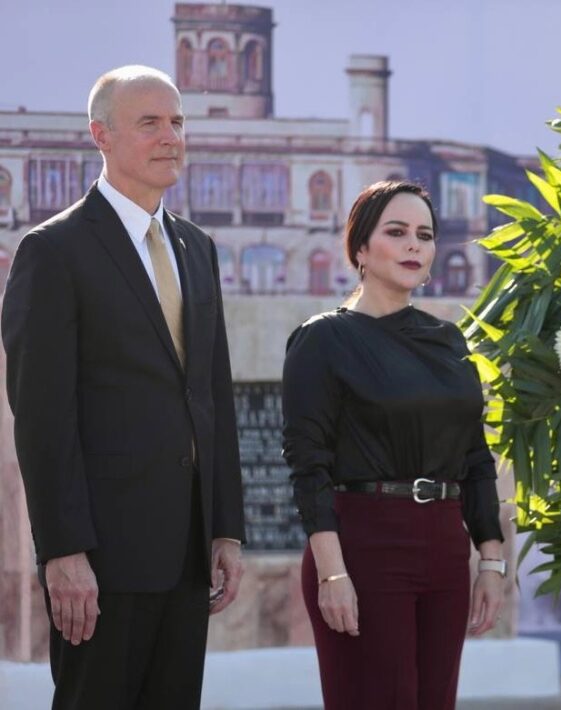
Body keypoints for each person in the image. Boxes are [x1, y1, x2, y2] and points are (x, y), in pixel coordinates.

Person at [2, 65, 245, 709]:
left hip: (188, 553)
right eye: (150, 123)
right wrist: (63, 552)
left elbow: (212, 396)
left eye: (177, 122)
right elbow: (42, 418)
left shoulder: (198, 249)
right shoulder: (53, 252)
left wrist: (225, 528)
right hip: (102, 559)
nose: (171, 137)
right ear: (100, 136)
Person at [282, 180, 506, 710]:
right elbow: (307, 466)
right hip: (363, 545)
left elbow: (474, 457)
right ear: (360, 248)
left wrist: (491, 562)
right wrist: (332, 572)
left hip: (444, 549)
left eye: (424, 235)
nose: (414, 246)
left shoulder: (449, 342)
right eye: (397, 232)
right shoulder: (322, 340)